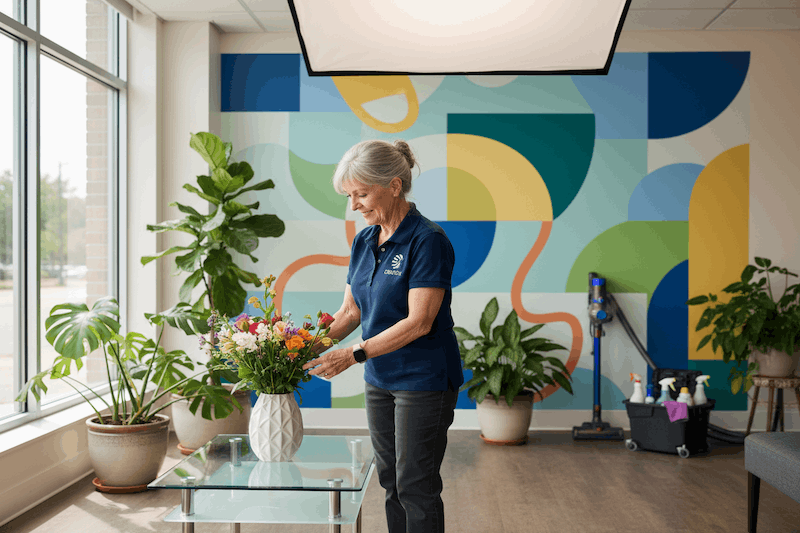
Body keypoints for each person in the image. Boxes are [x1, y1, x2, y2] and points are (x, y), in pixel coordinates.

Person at [302, 139, 463, 533]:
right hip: (380, 379)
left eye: (361, 194)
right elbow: (350, 311)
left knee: (416, 484)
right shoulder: (364, 240)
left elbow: (419, 321)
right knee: (390, 481)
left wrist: (353, 354)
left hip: (424, 380)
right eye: (349, 196)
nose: (353, 205)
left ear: (394, 185)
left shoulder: (428, 241)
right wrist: (298, 346)